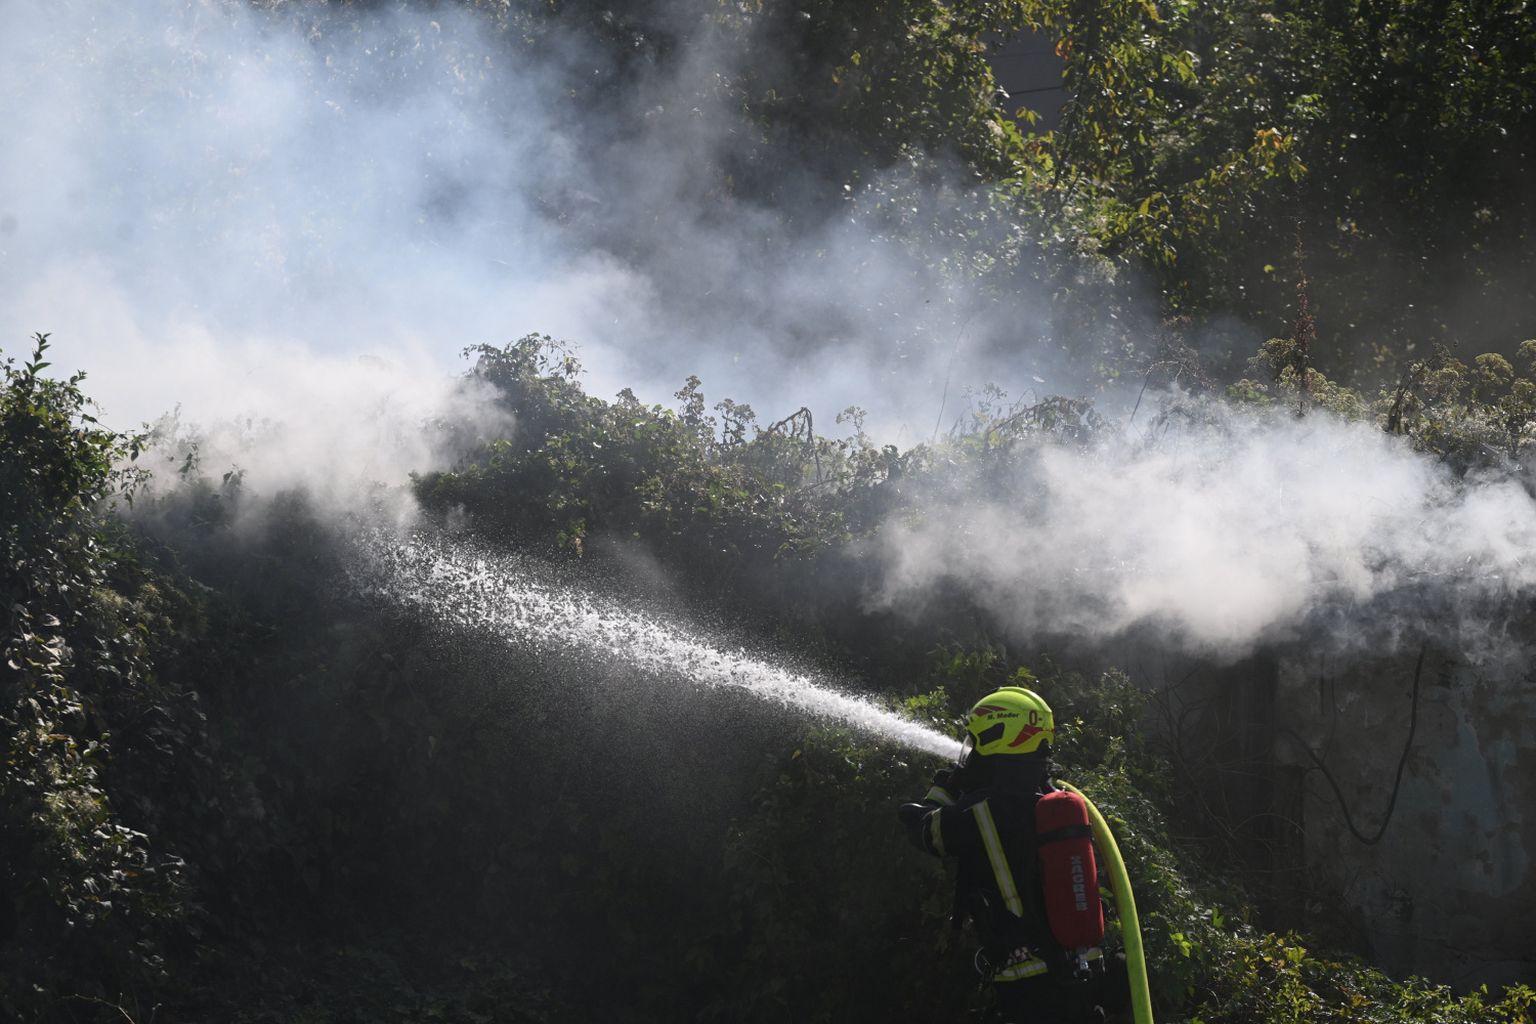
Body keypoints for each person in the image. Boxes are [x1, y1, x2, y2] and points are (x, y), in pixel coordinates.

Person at [898, 686, 1127, 1024]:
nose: (971, 750)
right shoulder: (1056, 800)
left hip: (1031, 988)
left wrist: (944, 787)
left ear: (998, 737)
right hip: (1086, 972)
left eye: (976, 741)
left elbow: (925, 832)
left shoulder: (982, 809)